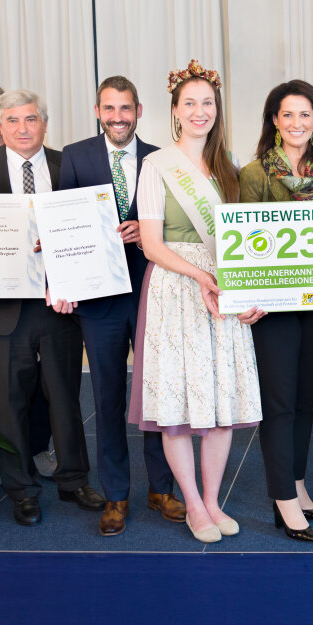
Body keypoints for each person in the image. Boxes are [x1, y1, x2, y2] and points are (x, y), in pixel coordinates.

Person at [0, 89, 103, 526]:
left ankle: (74, 480)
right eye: (13, 120)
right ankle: (21, 489)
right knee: (10, 400)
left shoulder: (66, 164)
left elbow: (85, 229)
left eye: (31, 119)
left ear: (44, 123)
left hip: (61, 304)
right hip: (0, 309)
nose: (22, 128)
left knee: (65, 397)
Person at [127, 62, 263, 544]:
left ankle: (212, 499)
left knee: (221, 401)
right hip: (177, 289)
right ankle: (192, 503)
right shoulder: (156, 165)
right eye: (190, 103)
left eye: (208, 102)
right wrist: (204, 276)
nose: (199, 111)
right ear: (175, 112)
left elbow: (251, 240)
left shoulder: (232, 166)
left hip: (223, 291)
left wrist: (255, 293)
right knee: (179, 402)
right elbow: (150, 244)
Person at [59, 75, 186, 536]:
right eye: (109, 109)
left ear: (139, 110)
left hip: (154, 289)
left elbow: (178, 224)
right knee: (108, 397)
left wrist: (146, 230)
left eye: (125, 109)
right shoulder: (75, 157)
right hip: (99, 299)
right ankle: (116, 495)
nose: (118, 117)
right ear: (98, 111)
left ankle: (162, 488)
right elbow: (64, 221)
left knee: (157, 393)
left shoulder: (160, 158)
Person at [241, 80, 313, 543]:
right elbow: (243, 244)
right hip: (273, 305)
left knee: (307, 396)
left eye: (305, 115)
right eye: (287, 115)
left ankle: (299, 482)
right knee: (280, 401)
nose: (296, 124)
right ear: (274, 120)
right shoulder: (252, 174)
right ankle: (282, 497)